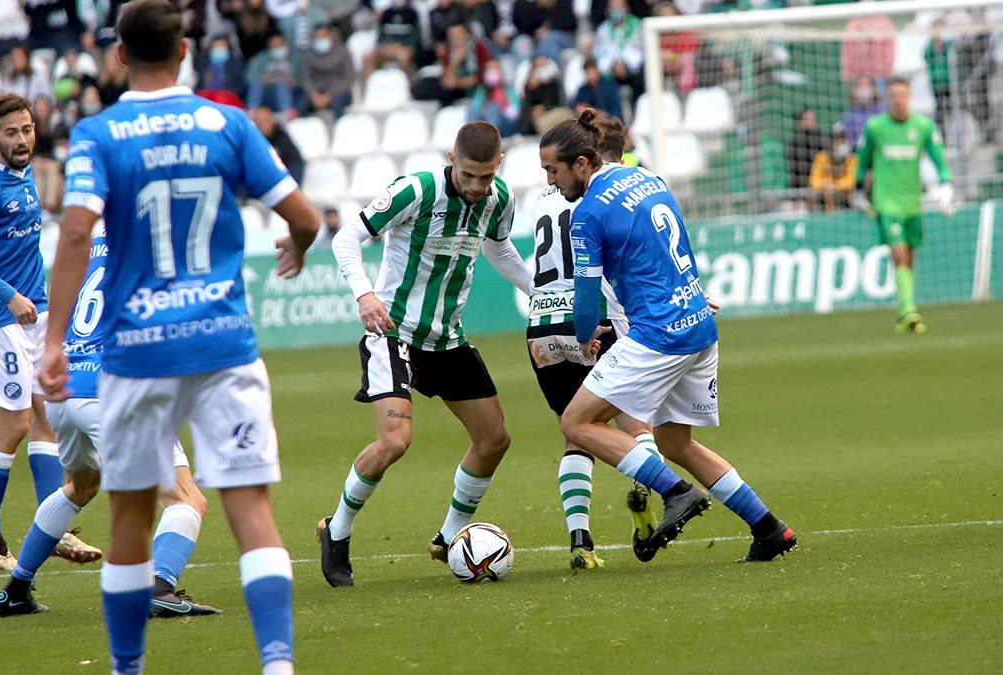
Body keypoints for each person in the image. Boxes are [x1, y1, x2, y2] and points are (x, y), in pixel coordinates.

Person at [39, 1, 319, 672]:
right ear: (185, 51)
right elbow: (304, 216)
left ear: (118, 56)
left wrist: (52, 342)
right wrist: (300, 244)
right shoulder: (227, 122)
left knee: (131, 516)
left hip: (137, 353)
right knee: (251, 509)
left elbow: (75, 235)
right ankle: (278, 664)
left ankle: (126, 666)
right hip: (223, 344)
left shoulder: (99, 133)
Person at [543, 109, 796, 563]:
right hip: (699, 323)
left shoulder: (587, 213)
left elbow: (585, 302)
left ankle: (677, 492)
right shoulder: (648, 178)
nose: (550, 181)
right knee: (675, 443)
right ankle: (769, 528)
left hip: (658, 335)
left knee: (576, 423)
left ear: (581, 163)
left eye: (553, 170)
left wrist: (584, 337)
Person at [317, 121, 532, 587]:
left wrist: (540, 292)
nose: (476, 186)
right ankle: (337, 530)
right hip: (393, 331)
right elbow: (345, 238)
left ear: (499, 165)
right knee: (395, 441)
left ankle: (449, 537)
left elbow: (499, 250)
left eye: (486, 176)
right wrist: (364, 294)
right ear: (452, 158)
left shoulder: (499, 199)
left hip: (447, 339)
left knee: (494, 439)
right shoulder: (416, 190)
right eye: (468, 174)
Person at [0, 224, 219, 619]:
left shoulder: (94, 235)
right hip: (113, 391)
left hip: (67, 387)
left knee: (80, 486)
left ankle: (15, 590)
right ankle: (159, 586)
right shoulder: (153, 237)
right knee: (185, 500)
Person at [0, 93, 96, 571]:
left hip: (32, 313)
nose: (22, 139)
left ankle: (54, 526)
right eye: (11, 132)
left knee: (49, 414)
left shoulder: (25, 173)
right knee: (15, 424)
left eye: (27, 129)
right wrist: (10, 295)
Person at [525, 183, 660, 569]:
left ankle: (580, 541)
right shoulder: (602, 197)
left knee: (575, 434)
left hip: (542, 325)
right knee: (636, 425)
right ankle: (644, 491)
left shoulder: (542, 198)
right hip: (596, 318)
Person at [856, 77, 954, 334]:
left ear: (909, 97)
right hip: (886, 203)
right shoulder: (875, 127)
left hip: (912, 202)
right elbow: (862, 161)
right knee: (898, 255)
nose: (898, 100)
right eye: (893, 95)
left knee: (909, 258)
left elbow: (939, 158)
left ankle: (904, 312)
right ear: (887, 99)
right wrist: (858, 189)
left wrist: (946, 184)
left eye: (902, 94)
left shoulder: (923, 126)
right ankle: (910, 309)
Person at [592, 0, 645, 107]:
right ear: (608, 10)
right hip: (611, 71)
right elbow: (598, 54)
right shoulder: (603, 29)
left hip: (634, 71)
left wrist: (625, 64)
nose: (617, 10)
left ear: (627, 8)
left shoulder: (638, 25)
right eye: (614, 7)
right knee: (602, 81)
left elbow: (643, 51)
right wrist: (613, 65)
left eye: (620, 7)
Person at [299, 24, 354, 117]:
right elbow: (306, 79)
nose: (320, 39)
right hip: (316, 92)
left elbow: (348, 78)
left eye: (323, 36)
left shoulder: (343, 52)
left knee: (338, 105)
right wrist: (314, 95)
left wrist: (329, 95)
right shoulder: (309, 56)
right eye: (317, 37)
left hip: (339, 92)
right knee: (301, 105)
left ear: (330, 36)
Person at [246, 34, 298, 114]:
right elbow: (249, 77)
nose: (278, 48)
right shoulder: (262, 57)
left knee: (281, 83)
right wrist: (265, 78)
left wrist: (286, 79)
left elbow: (302, 78)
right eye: (274, 46)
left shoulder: (295, 58)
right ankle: (252, 111)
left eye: (280, 44)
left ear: (286, 44)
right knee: (257, 83)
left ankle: (287, 113)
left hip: (290, 91)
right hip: (266, 91)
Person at [251, 106, 304, 184]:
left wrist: (290, 186)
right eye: (258, 121)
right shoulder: (252, 142)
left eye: (264, 120)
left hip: (284, 181)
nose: (262, 124)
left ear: (272, 120)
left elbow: (295, 162)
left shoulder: (282, 137)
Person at [468, 59, 520, 138]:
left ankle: (490, 137)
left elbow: (515, 113)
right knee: (472, 108)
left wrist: (503, 105)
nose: (492, 72)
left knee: (493, 107)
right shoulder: (482, 90)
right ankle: (472, 135)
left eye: (495, 68)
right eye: (489, 69)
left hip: (506, 125)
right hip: (486, 122)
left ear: (501, 72)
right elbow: (475, 108)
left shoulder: (508, 88)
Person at [808, 128, 857, 212]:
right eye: (839, 143)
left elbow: (851, 181)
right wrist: (824, 184)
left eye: (843, 142)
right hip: (824, 197)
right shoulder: (821, 157)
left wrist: (836, 185)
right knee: (813, 195)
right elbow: (813, 180)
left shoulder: (851, 159)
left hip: (844, 198)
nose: (842, 146)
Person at [370, 0, 420, 78]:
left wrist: (400, 45)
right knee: (369, 57)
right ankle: (371, 83)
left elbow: (416, 37)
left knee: (403, 56)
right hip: (387, 47)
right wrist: (387, 46)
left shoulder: (412, 14)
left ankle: (403, 83)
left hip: (404, 47)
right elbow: (381, 36)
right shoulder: (387, 13)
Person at [786, 108, 823, 194]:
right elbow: (794, 169)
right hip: (801, 188)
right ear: (800, 122)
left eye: (812, 118)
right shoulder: (794, 142)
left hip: (818, 186)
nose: (810, 121)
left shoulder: (820, 139)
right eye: (806, 119)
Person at [840, 76, 883, 149]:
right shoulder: (850, 111)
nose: (864, 88)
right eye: (860, 84)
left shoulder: (881, 110)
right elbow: (843, 131)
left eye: (867, 84)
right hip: (854, 149)